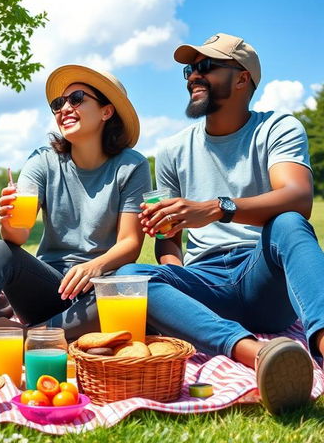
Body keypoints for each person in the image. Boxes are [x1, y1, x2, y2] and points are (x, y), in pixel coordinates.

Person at [117, 32, 324, 415]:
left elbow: (298, 196)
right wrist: (176, 279)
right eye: (189, 69)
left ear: (243, 77)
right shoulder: (173, 149)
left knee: (290, 224)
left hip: (263, 273)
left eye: (206, 66)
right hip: (206, 283)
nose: (194, 75)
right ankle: (259, 355)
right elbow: (170, 240)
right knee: (131, 275)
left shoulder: (277, 127)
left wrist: (216, 208)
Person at [0, 65, 151, 341]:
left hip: (98, 290)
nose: (64, 108)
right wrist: (8, 220)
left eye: (77, 99)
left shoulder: (132, 165)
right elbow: (16, 237)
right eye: (58, 104)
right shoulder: (43, 160)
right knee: (1, 250)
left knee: (141, 293)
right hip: (49, 289)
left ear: (107, 111)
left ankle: (26, 335)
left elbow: (130, 243)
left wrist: (94, 266)